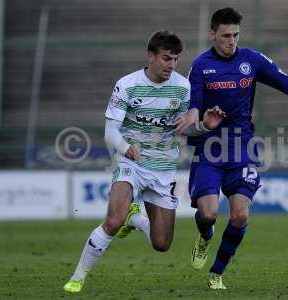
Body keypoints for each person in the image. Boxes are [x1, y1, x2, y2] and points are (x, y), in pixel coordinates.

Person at [175, 7, 288, 290]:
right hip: (209, 149)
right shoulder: (201, 65)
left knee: (240, 215)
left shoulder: (251, 60)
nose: (231, 40)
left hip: (242, 148)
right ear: (212, 34)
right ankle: (205, 236)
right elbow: (194, 103)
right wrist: (194, 119)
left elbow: (286, 82)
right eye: (225, 35)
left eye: (235, 35)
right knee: (208, 214)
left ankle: (216, 273)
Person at [63, 30, 225, 293]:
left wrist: (205, 126)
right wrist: (126, 149)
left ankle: (136, 218)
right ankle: (78, 277)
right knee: (113, 221)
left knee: (162, 244)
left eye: (175, 59)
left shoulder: (182, 86)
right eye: (166, 58)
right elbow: (110, 131)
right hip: (131, 164)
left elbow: (185, 129)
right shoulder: (127, 85)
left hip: (163, 170)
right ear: (150, 56)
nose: (171, 65)